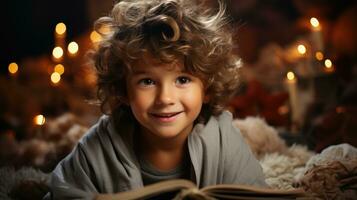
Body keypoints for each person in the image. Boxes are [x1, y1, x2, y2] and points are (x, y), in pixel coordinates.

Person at [47, 0, 267, 199]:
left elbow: (255, 193)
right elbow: (60, 193)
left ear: (207, 88)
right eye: (147, 82)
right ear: (123, 90)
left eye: (182, 79)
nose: (165, 98)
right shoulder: (99, 144)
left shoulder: (223, 138)